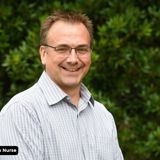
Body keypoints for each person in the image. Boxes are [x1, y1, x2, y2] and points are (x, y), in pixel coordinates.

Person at [0, 10, 124, 160]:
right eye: (62, 49)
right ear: (43, 54)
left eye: (81, 49)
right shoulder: (21, 112)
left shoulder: (103, 116)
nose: (73, 59)